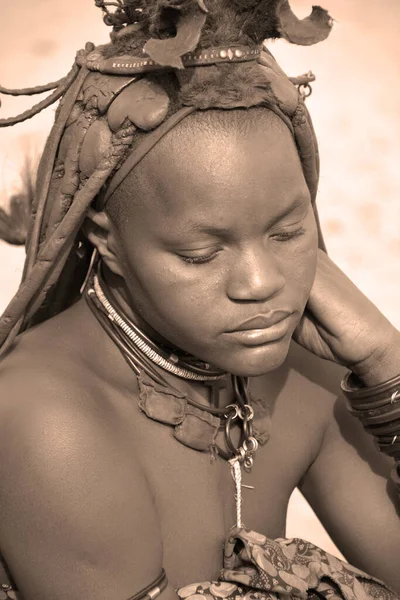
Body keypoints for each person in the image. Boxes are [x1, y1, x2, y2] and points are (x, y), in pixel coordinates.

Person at [0, 1, 399, 599]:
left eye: (288, 233)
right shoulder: (46, 419)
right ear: (106, 241)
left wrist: (386, 363)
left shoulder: (305, 377)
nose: (261, 283)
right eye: (200, 254)